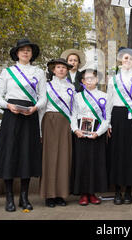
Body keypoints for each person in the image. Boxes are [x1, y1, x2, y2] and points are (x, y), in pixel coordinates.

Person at [0, 38, 47, 212]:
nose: (25, 52)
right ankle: (9, 196)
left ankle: (24, 196)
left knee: (26, 154)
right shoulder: (7, 72)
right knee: (10, 153)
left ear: (32, 54)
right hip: (11, 114)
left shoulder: (39, 72)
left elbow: (43, 97)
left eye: (28, 50)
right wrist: (8, 106)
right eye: (22, 50)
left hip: (29, 115)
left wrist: (34, 108)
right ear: (17, 53)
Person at [105, 47, 132, 205]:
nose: (127, 61)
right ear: (120, 60)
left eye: (130, 58)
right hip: (117, 116)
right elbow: (109, 102)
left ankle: (128, 191)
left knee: (130, 155)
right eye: (125, 58)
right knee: (117, 153)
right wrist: (108, 122)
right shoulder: (113, 79)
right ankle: (117, 191)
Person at [70, 68, 109, 206]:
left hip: (97, 132)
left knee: (95, 162)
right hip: (80, 132)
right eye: (86, 78)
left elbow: (106, 118)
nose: (90, 81)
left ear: (97, 80)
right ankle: (83, 194)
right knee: (82, 162)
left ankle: (93, 193)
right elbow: (73, 114)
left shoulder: (104, 96)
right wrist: (75, 129)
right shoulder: (77, 96)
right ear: (82, 81)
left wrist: (98, 132)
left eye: (92, 78)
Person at [40, 58, 75, 208]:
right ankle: (49, 195)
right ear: (53, 70)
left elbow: (74, 110)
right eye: (58, 67)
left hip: (65, 123)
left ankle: (61, 194)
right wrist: (39, 130)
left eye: (64, 68)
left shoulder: (71, 87)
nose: (61, 70)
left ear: (67, 70)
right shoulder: (46, 86)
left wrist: (74, 127)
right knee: (49, 157)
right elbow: (41, 109)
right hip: (50, 121)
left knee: (64, 158)